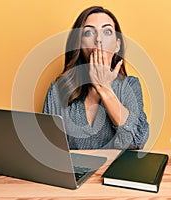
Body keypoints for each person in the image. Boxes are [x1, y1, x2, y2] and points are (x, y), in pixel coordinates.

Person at [43, 6, 149, 149]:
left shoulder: (129, 85)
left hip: (114, 170)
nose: (98, 39)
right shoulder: (57, 90)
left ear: (117, 45)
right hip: (72, 171)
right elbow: (48, 149)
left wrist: (104, 88)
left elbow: (137, 141)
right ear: (79, 44)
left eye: (107, 31)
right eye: (88, 32)